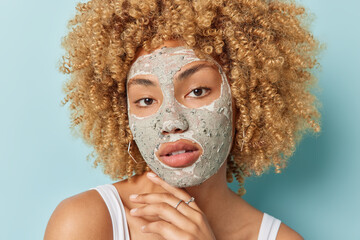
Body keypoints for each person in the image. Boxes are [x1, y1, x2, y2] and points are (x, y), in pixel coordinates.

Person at [45, 0, 321, 239]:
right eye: (146, 100)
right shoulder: (85, 221)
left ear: (245, 96)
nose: (171, 122)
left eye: (197, 91)